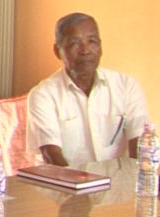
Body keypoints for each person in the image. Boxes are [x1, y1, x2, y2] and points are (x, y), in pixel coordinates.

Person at [26, 12, 148, 166]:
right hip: (64, 179)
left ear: (100, 47)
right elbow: (51, 155)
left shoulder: (126, 86)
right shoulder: (43, 95)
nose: (85, 50)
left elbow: (140, 143)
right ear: (57, 51)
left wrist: (138, 177)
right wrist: (81, 181)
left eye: (92, 41)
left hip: (117, 179)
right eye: (74, 43)